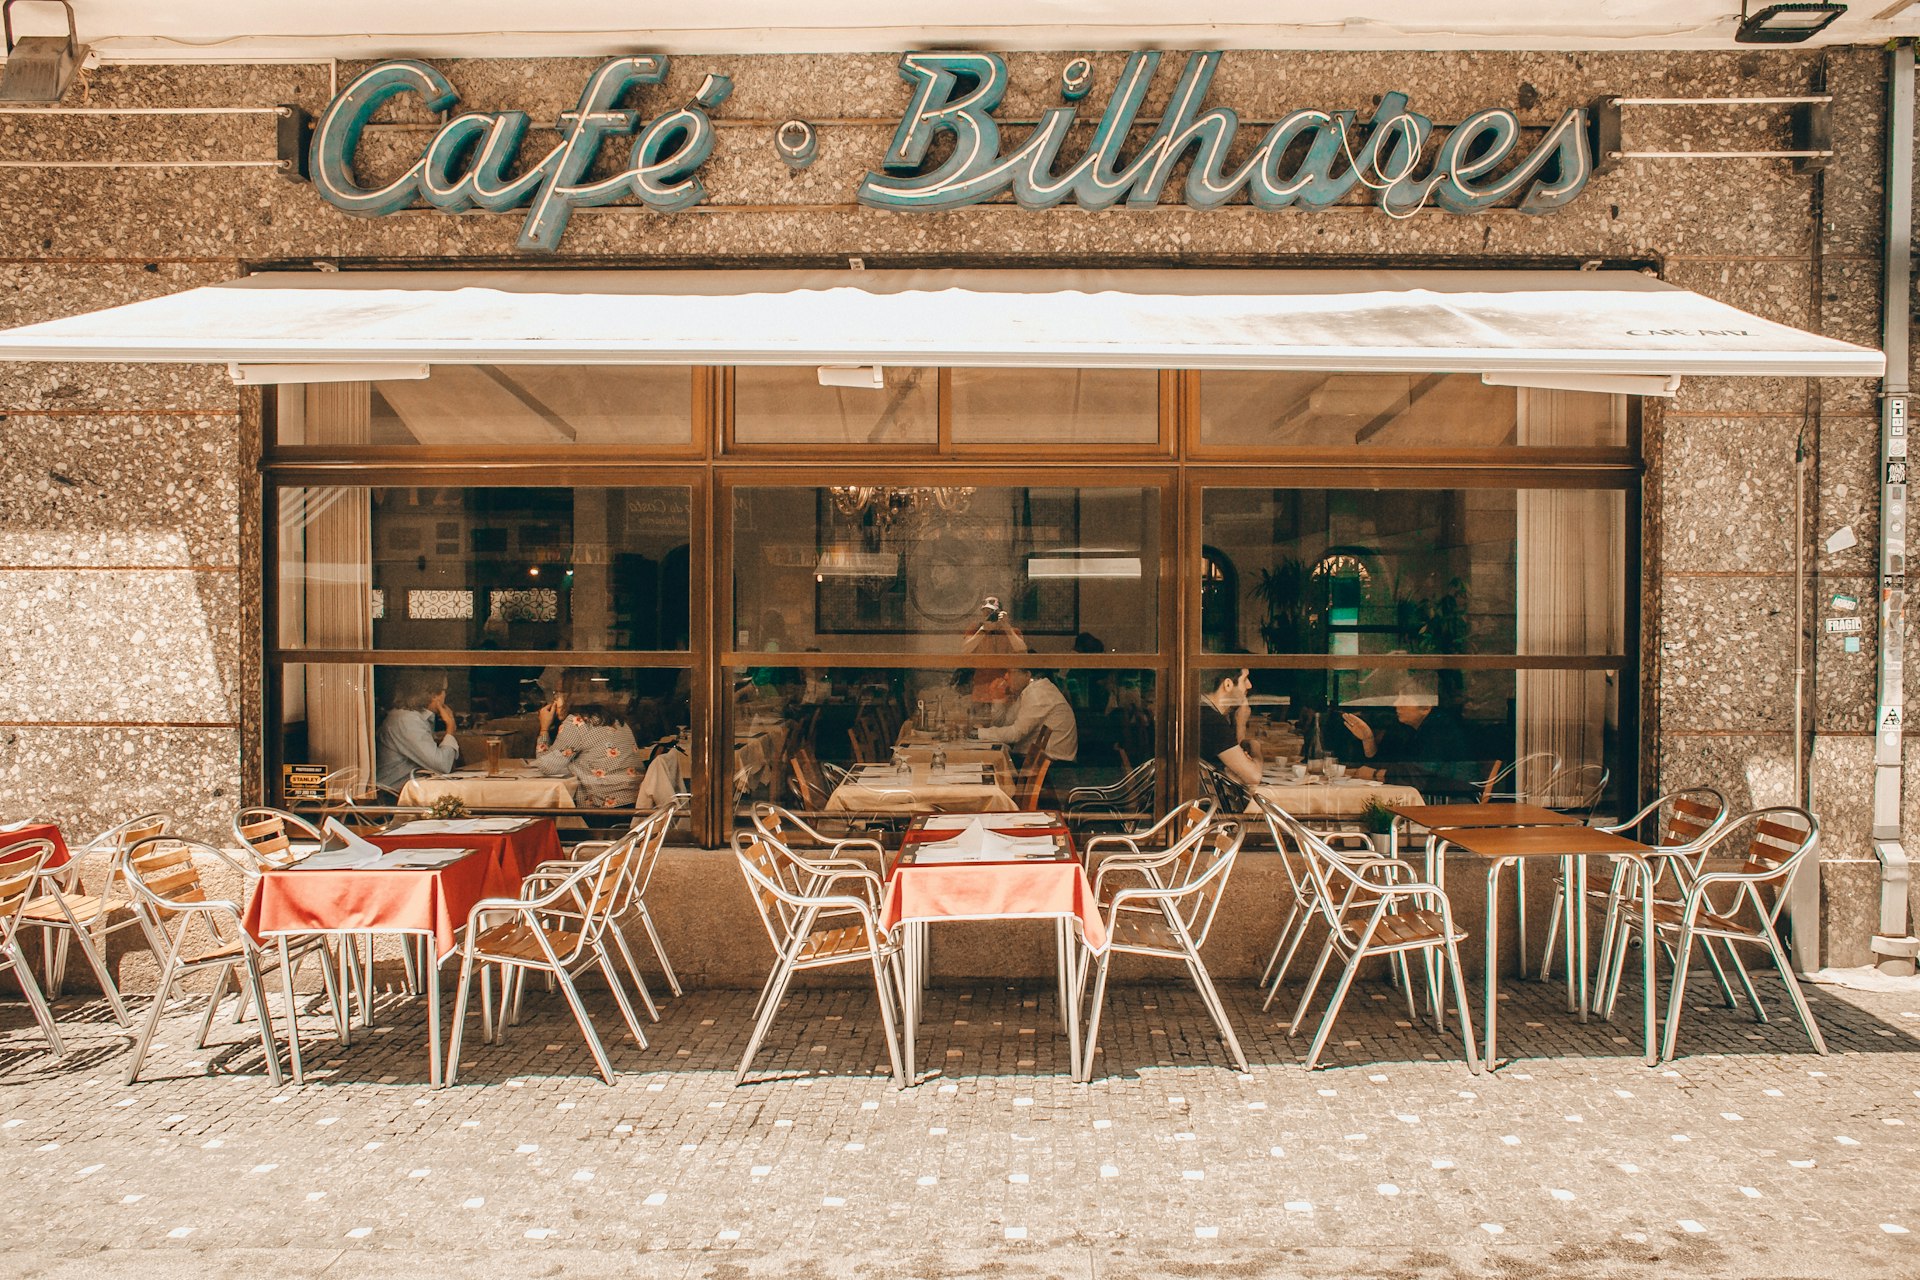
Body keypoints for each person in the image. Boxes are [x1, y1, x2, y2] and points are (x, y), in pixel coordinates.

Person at [1342, 683, 1478, 798]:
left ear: (1426, 707)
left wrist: (1375, 774)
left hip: (1454, 802)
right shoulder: (1411, 730)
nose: (1396, 704)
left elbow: (1416, 777)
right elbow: (1395, 764)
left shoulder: (1440, 728)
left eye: (1404, 699)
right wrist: (1368, 739)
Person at [533, 695, 646, 809]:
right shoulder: (615, 719)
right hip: (634, 800)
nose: (554, 703)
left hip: (602, 807)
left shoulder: (577, 721)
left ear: (570, 697)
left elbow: (547, 766)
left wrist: (544, 728)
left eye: (557, 697)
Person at [375, 669, 461, 790]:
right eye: (444, 690)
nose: (445, 695)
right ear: (433, 695)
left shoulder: (414, 717)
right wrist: (450, 728)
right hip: (392, 795)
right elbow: (442, 765)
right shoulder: (406, 720)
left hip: (409, 791)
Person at [976, 668, 1078, 767]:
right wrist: (998, 698)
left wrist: (978, 733)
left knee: (986, 761)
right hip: (1035, 760)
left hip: (1053, 766)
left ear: (1027, 674)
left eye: (1010, 672)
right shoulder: (1027, 692)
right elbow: (1004, 725)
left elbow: (1015, 734)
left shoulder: (1038, 693)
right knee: (989, 760)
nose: (1005, 676)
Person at [1199, 668, 1261, 789]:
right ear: (1228, 684)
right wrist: (1255, 747)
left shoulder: (1205, 712)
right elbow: (1253, 777)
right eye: (1245, 679)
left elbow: (1234, 768)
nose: (1249, 685)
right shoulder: (1211, 720)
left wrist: (1240, 723)